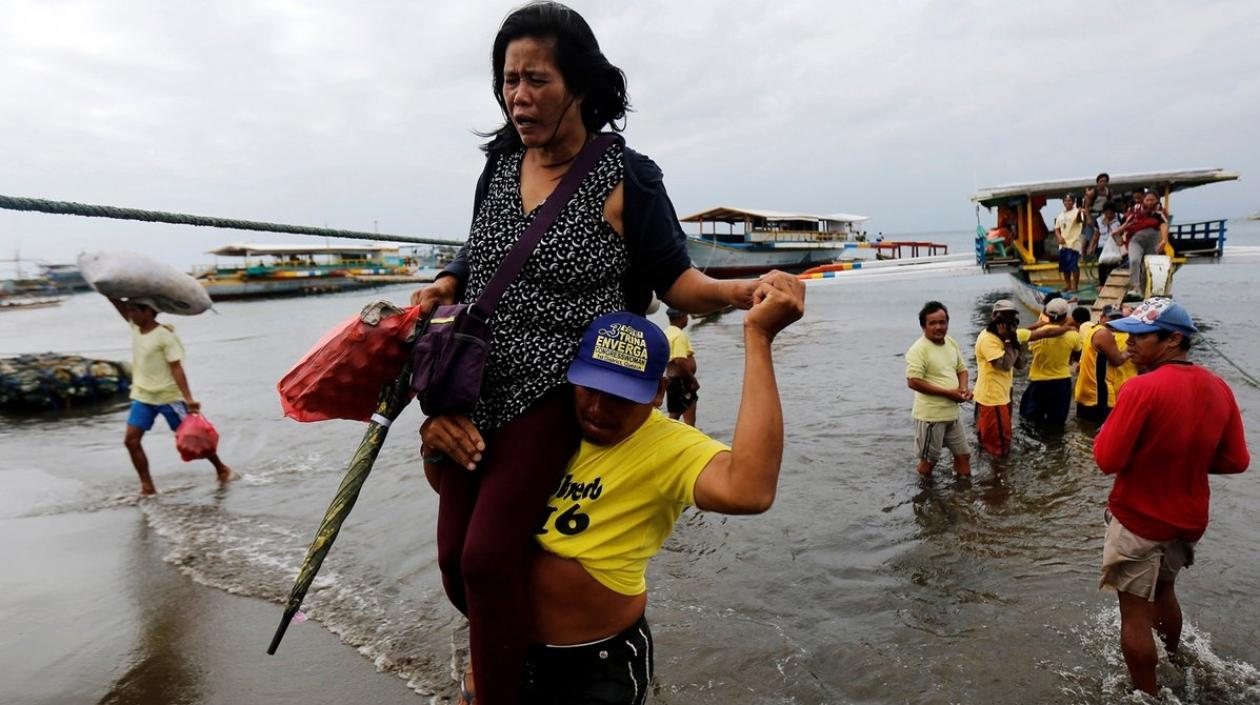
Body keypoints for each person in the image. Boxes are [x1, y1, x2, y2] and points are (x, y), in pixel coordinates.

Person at [411, 5, 764, 704]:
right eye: (508, 80)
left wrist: (748, 291)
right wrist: (448, 278)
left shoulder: (628, 177)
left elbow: (677, 280)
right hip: (474, 382)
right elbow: (484, 245)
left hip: (556, 387)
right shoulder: (499, 166)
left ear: (580, 83)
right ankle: (502, 659)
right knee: (454, 561)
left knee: (486, 559)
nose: (518, 96)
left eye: (535, 79)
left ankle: (496, 693)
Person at [425, 274, 804, 704]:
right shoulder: (543, 420)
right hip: (502, 648)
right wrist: (437, 446)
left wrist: (758, 338)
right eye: (590, 389)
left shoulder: (668, 447)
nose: (600, 410)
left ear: (658, 393)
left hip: (595, 669)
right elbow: (458, 493)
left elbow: (751, 490)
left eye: (622, 397)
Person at [1093, 298, 1249, 696]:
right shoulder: (1219, 387)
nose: (1127, 342)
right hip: (1188, 521)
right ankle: (1177, 658)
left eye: (1140, 336)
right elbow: (1236, 461)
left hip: (1139, 519)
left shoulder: (1140, 388)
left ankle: (1147, 695)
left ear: (1172, 339)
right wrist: (1184, 460)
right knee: (1165, 591)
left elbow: (1106, 459)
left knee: (1133, 614)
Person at [108, 298, 232, 495]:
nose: (130, 314)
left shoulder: (165, 336)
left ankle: (221, 467)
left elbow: (176, 368)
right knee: (131, 441)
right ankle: (147, 486)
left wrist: (189, 399)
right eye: (129, 311)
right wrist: (109, 293)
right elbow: (119, 306)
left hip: (168, 398)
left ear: (148, 311)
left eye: (134, 311)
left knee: (195, 439)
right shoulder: (135, 328)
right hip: (142, 396)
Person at [905, 301, 971, 476]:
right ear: (923, 326)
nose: (938, 327)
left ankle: (964, 495)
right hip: (931, 417)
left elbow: (962, 369)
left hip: (953, 415)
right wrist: (949, 393)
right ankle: (922, 498)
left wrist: (963, 389)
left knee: (964, 456)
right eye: (932, 323)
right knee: (929, 463)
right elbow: (913, 381)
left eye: (942, 322)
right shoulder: (918, 349)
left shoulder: (951, 342)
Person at [1018, 298, 1082, 428]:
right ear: (1065, 316)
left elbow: (1025, 341)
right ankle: (1055, 446)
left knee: (1032, 421)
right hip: (1061, 383)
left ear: (1047, 314)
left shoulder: (1035, 335)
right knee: (1057, 424)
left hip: (1038, 381)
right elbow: (1078, 353)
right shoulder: (1073, 335)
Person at [1075, 304, 1136, 422]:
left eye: (1118, 318)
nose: (1115, 322)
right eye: (1112, 318)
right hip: (1099, 394)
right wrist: (1130, 350)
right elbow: (1117, 361)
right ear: (1102, 317)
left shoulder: (1091, 328)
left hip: (1085, 391)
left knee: (1085, 427)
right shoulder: (1105, 334)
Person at [1116, 191, 1170, 298]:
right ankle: (1134, 287)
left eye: (1152, 200)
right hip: (1136, 241)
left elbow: (1164, 226)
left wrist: (1164, 240)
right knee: (1134, 260)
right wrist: (1120, 237)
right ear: (1143, 201)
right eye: (1147, 200)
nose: (1150, 202)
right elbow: (1123, 227)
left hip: (1152, 242)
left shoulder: (1159, 213)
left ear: (1157, 201)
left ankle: (1144, 291)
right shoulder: (1135, 211)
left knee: (1147, 267)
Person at [664, 308, 699, 426]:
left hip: (672, 381)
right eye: (686, 316)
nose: (688, 319)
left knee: (674, 415)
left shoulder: (667, 333)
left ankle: (669, 438)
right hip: (682, 382)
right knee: (688, 420)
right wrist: (693, 381)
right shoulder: (679, 335)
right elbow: (679, 361)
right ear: (681, 317)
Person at [1053, 194, 1085, 292]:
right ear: (1063, 202)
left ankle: (1075, 286)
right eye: (1066, 200)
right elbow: (1057, 229)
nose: (1067, 202)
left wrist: (1080, 212)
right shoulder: (1060, 215)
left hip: (1074, 243)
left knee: (1073, 266)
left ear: (1073, 202)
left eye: (1070, 200)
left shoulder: (1077, 212)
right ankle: (1068, 285)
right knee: (1065, 267)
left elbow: (1080, 220)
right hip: (1063, 244)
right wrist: (1059, 237)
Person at [1089, 202, 1125, 287]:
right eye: (1106, 213)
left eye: (1110, 213)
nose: (1108, 215)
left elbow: (1123, 231)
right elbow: (1096, 234)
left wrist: (1109, 224)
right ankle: (1102, 284)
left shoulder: (1121, 218)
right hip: (1102, 245)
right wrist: (1092, 246)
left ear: (1114, 212)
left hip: (1116, 245)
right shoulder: (1098, 220)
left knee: (1114, 264)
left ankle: (1114, 284)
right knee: (1102, 265)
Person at [1081, 172, 1113, 254]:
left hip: (1103, 215)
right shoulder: (1093, 192)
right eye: (1101, 181)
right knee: (1088, 235)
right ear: (1098, 182)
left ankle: (1094, 253)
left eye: (1105, 181)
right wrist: (1088, 218)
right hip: (1093, 214)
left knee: (1099, 235)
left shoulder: (1108, 192)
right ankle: (1083, 255)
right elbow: (1086, 206)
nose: (1103, 183)